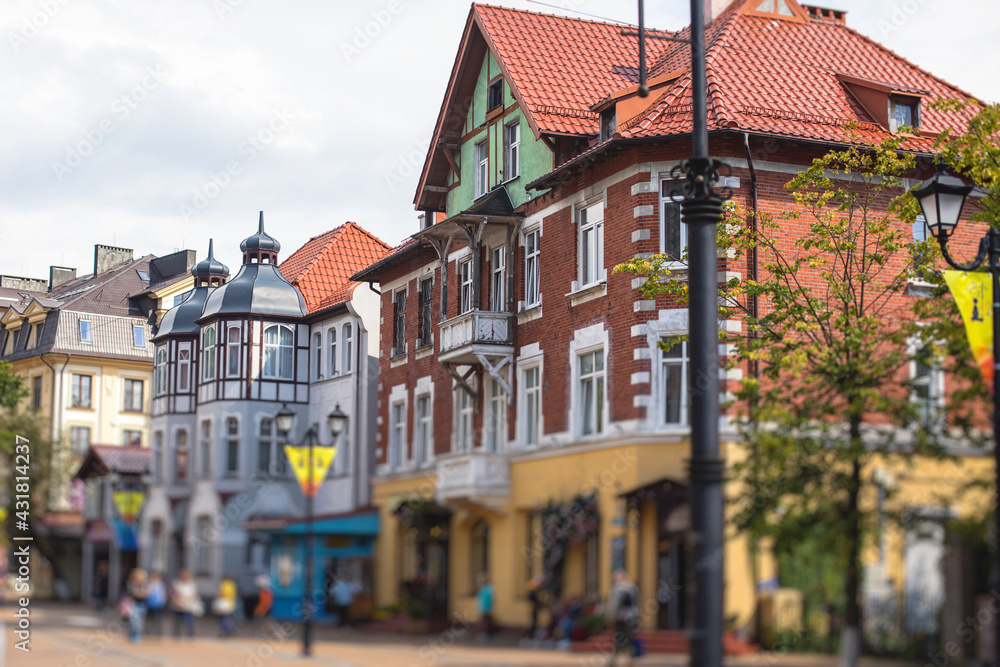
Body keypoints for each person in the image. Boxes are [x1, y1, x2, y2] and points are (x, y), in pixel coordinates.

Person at [606, 570, 640, 667]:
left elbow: (615, 605)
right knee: (630, 637)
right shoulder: (633, 588)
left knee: (618, 637)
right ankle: (631, 658)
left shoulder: (617, 588)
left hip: (620, 617)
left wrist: (611, 616)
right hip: (632, 616)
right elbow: (637, 603)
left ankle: (614, 658)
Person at [170, 569, 199, 639]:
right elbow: (172, 594)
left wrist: (191, 599)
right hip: (178, 606)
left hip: (189, 606)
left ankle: (190, 635)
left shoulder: (192, 584)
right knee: (178, 622)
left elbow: (195, 594)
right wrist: (177, 601)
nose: (185, 578)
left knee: (190, 622)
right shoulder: (176, 583)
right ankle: (177, 635)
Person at [126, 569, 149, 642]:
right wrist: (140, 594)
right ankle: (133, 635)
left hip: (142, 605)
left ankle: (138, 635)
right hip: (134, 604)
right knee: (134, 621)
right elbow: (133, 594)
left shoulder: (145, 585)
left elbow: (147, 594)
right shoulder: (132, 584)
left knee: (140, 621)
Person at [145, 571, 167, 638]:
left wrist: (163, 602)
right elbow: (147, 594)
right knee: (149, 620)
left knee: (158, 620)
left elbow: (164, 595)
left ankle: (157, 634)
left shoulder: (161, 585)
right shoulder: (149, 584)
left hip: (159, 605)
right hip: (150, 605)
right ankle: (148, 633)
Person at [476, 573, 494, 641]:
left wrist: (489, 608)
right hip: (483, 608)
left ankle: (486, 634)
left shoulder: (489, 589)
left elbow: (489, 599)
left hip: (486, 608)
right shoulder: (483, 588)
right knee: (484, 621)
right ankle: (484, 633)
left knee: (486, 621)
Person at [527, 576, 542, 641]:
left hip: (534, 608)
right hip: (534, 609)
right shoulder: (532, 592)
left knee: (535, 622)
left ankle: (533, 634)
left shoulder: (534, 591)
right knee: (534, 622)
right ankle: (532, 635)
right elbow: (533, 600)